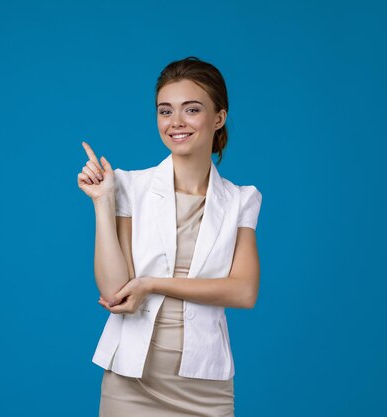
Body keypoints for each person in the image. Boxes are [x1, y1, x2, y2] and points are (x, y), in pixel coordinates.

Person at [77, 56, 262, 417]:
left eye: (191, 109)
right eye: (165, 111)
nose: (176, 122)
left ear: (219, 118)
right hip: (131, 380)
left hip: (205, 385)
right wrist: (103, 202)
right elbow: (114, 292)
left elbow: (243, 291)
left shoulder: (242, 199)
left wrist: (152, 284)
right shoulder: (129, 186)